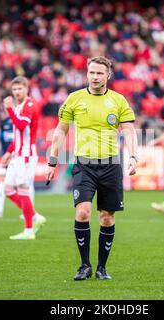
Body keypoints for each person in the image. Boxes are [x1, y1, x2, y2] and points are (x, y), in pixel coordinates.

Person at [46, 56, 138, 280]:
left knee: (107, 217)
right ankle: (84, 265)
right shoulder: (74, 99)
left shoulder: (118, 100)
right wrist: (52, 160)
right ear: (86, 74)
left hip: (110, 165)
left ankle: (102, 268)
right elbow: (60, 131)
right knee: (83, 212)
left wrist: (133, 156)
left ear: (108, 75)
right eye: (91, 72)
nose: (95, 77)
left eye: (99, 73)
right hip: (84, 164)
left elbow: (129, 131)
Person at [2, 76, 45, 240]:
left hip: (27, 155)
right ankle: (34, 216)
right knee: (8, 189)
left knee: (22, 190)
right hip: (17, 154)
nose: (17, 92)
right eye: (14, 89)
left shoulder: (29, 105)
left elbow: (21, 126)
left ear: (26, 89)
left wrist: (9, 110)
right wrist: (8, 152)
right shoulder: (19, 106)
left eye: (20, 88)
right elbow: (17, 135)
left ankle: (28, 231)